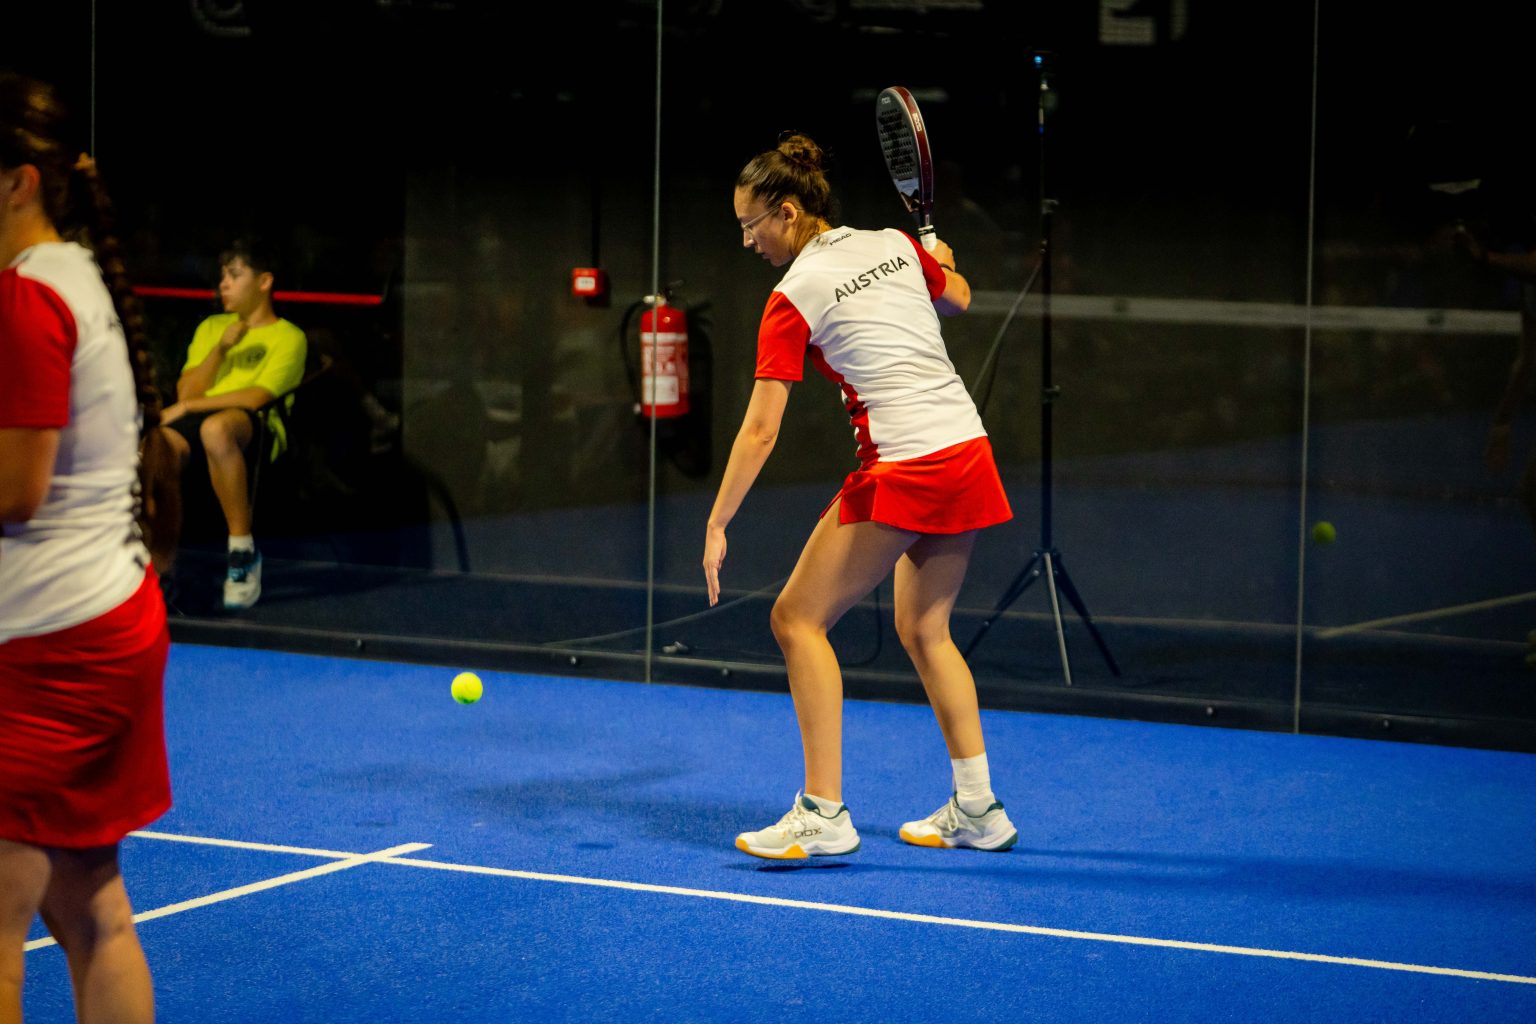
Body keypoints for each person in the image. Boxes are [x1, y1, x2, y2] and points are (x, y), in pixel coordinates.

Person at [703, 133, 1018, 859]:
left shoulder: (792, 297)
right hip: (967, 450)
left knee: (795, 619)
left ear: (788, 212)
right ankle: (978, 808)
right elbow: (960, 298)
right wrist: (937, 262)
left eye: (751, 225)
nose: (747, 241)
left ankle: (823, 812)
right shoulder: (894, 244)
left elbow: (761, 430)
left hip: (906, 463)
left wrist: (718, 522)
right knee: (926, 629)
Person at [1, 72, 180, 1024]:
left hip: (50, 642)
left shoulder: (29, 297)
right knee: (91, 909)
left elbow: (15, 492)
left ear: (18, 182)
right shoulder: (75, 276)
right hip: (108, 619)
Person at [158, 236, 307, 610]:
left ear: (264, 281)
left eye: (235, 275)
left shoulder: (289, 336)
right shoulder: (212, 327)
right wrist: (221, 349)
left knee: (216, 429)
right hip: (197, 418)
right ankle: (161, 563)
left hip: (256, 427)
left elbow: (257, 397)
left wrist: (187, 407)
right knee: (158, 444)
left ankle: (242, 551)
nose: (223, 284)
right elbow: (186, 389)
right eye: (222, 275)